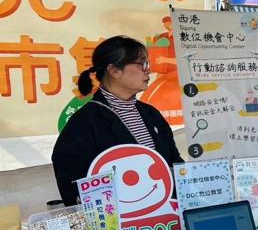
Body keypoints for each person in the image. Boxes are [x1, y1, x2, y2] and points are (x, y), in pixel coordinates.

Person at [52, 36, 182, 205]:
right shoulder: (83, 123)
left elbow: (174, 162)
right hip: (120, 218)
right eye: (142, 64)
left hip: (166, 213)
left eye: (148, 64)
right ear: (114, 70)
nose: (148, 70)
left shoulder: (151, 114)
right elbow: (72, 183)